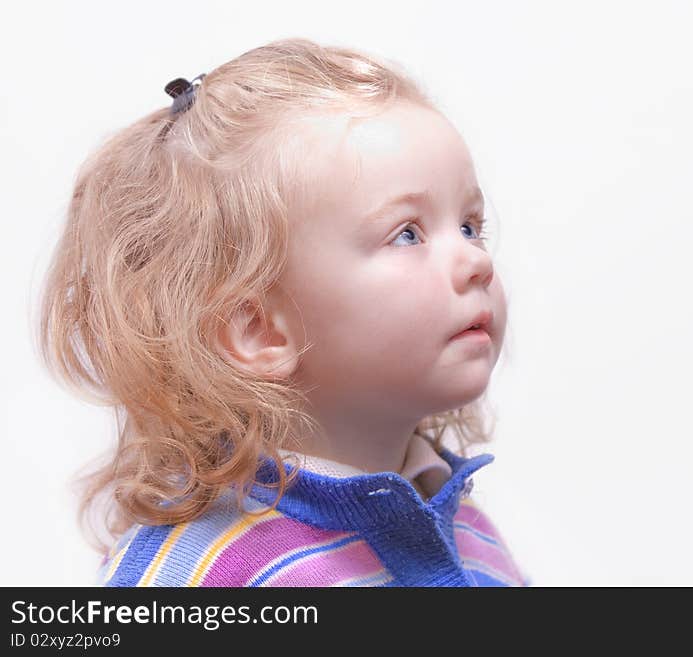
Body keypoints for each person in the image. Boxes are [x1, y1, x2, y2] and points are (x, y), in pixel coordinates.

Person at [37, 37, 529, 587]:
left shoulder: (471, 533)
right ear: (260, 329)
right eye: (407, 234)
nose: (475, 261)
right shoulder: (203, 574)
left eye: (469, 226)